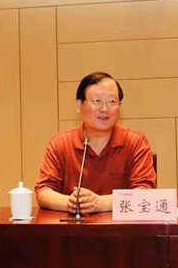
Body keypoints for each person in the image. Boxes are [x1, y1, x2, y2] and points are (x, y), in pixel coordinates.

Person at [35, 72, 157, 213]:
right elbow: (43, 191)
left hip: (120, 227)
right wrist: (72, 203)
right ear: (79, 105)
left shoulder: (135, 142)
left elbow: (145, 192)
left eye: (112, 102)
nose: (105, 109)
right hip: (74, 225)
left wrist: (100, 203)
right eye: (97, 101)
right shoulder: (60, 143)